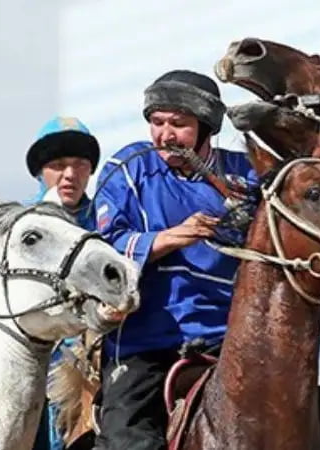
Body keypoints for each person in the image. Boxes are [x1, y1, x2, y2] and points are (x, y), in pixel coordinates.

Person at [92, 69, 256, 450]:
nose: (165, 135)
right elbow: (102, 249)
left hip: (228, 336)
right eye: (157, 122)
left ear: (205, 127)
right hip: (144, 336)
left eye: (179, 124)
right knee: (126, 441)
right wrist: (170, 238)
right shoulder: (129, 167)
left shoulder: (246, 175)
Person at [25, 116, 101, 450]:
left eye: (80, 165)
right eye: (58, 165)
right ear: (41, 171)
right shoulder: (20, 228)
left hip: (94, 358)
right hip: (32, 355)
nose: (70, 175)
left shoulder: (110, 223)